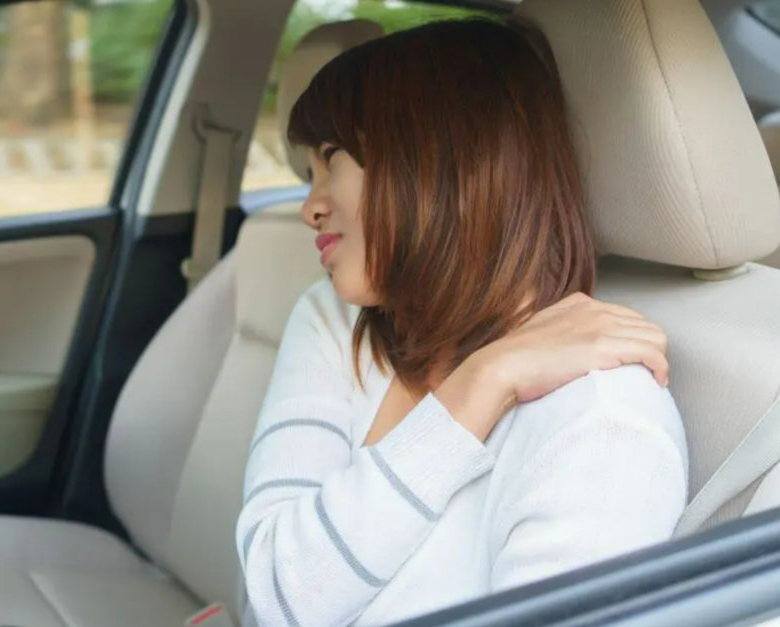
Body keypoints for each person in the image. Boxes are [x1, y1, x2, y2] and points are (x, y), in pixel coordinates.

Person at [236, 18, 688, 627]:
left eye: (331, 161)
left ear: (434, 161)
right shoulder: (332, 318)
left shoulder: (604, 424)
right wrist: (481, 384)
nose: (309, 206)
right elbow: (269, 598)